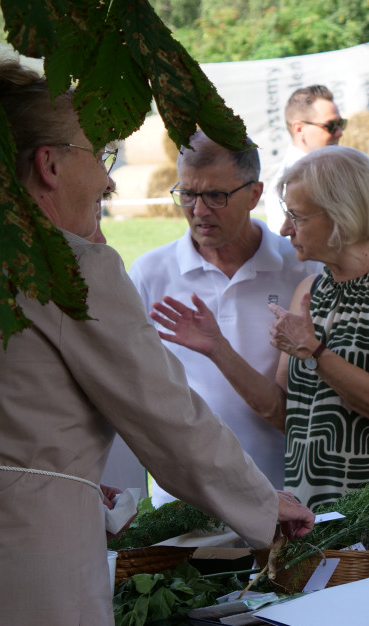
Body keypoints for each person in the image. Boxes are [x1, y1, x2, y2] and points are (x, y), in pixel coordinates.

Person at [0, 61, 314, 626]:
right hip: (24, 568)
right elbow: (165, 416)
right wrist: (262, 504)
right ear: (50, 165)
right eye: (102, 154)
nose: (112, 177)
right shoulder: (70, 270)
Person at [152, 145, 369, 510]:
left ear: (341, 216)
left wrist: (316, 353)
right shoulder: (312, 289)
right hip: (311, 508)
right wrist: (217, 348)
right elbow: (283, 413)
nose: (284, 228)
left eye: (297, 216)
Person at [130, 132, 317, 499]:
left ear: (254, 194)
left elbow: (305, 409)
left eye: (216, 196)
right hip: (186, 499)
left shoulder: (302, 271)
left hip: (286, 491)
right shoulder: (150, 273)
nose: (199, 211)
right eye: (187, 193)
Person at [263, 84, 346, 233]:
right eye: (331, 125)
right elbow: (292, 251)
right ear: (299, 129)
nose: (339, 132)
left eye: (341, 124)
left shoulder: (330, 171)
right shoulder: (284, 188)